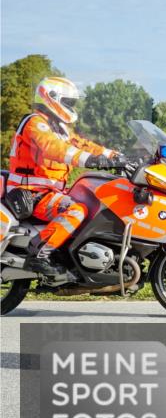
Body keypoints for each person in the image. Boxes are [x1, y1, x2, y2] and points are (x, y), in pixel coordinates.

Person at [7, 77, 122, 279]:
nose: (71, 106)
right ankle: (41, 253)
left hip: (50, 193)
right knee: (76, 210)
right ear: (51, 98)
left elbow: (82, 145)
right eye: (68, 102)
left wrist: (114, 156)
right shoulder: (35, 122)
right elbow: (54, 148)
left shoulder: (59, 128)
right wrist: (92, 161)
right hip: (31, 194)